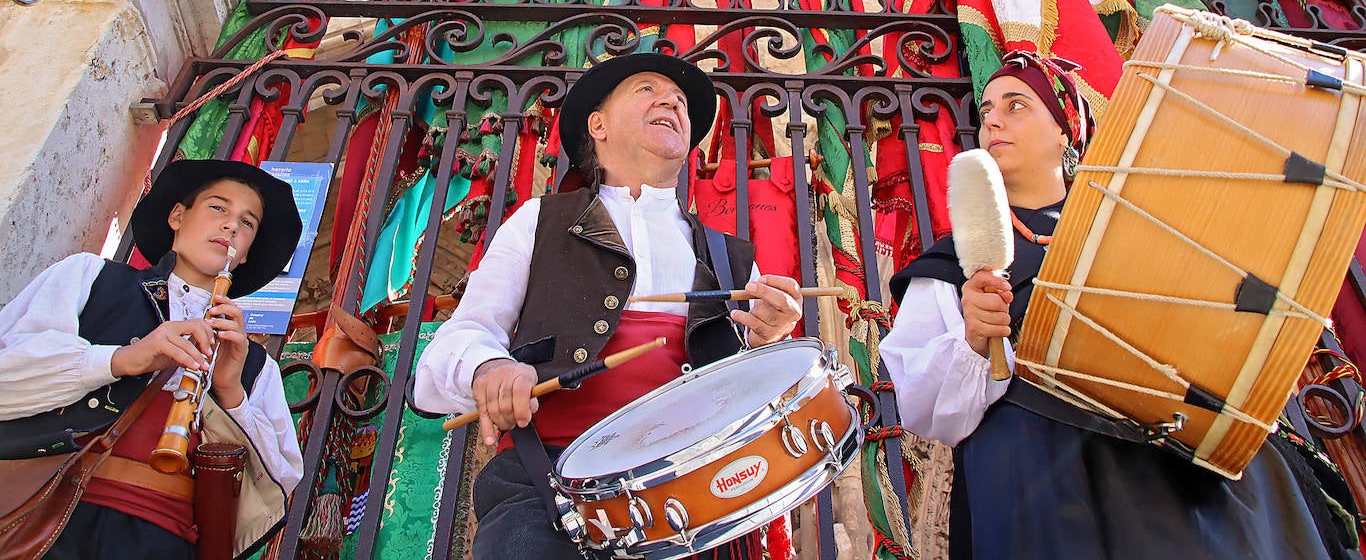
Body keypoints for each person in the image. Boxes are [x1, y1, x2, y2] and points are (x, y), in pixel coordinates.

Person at [880, 50, 1353, 560]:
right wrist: (974, 339)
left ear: (1064, 130)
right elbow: (924, 412)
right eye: (988, 109)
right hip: (1043, 482)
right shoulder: (954, 262)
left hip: (1181, 471)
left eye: (1017, 105)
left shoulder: (1139, 223)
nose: (993, 119)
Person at [414, 52, 804, 559]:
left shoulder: (731, 258)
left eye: (681, 101)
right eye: (646, 89)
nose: (671, 101)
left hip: (693, 505)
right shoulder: (539, 220)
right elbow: (455, 345)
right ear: (597, 125)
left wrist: (768, 338)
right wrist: (489, 367)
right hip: (547, 493)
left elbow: (759, 398)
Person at [0, 158, 306, 559]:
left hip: (162, 540)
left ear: (244, 254)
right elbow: (0, 376)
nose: (231, 226)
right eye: (217, 207)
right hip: (46, 514)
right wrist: (123, 359)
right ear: (177, 216)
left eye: (247, 223)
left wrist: (229, 392)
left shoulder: (255, 364)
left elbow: (279, 482)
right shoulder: (90, 277)